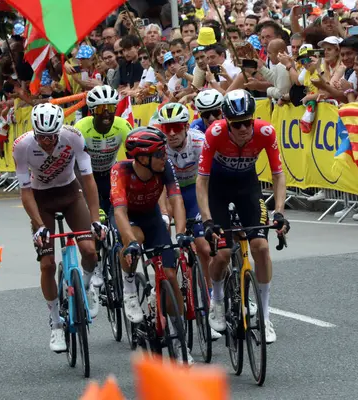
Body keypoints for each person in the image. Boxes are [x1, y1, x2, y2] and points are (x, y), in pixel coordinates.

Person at [196, 89, 290, 344]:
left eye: (248, 122)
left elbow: (278, 175)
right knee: (223, 253)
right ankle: (216, 300)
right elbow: (202, 182)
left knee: (260, 246)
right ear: (227, 122)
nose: (245, 129)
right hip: (217, 188)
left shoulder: (265, 132)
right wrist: (206, 220)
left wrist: (279, 212)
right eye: (238, 125)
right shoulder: (214, 133)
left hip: (248, 187)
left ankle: (266, 316)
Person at [13, 103, 105, 353]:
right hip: (41, 199)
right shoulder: (22, 145)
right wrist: (41, 226)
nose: (46, 142)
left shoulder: (73, 137)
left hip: (70, 194)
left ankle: (86, 286)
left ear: (59, 131)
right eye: (41, 136)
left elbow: (88, 179)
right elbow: (25, 192)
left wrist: (95, 219)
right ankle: (55, 323)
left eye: (51, 137)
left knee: (89, 250)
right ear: (34, 132)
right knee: (47, 264)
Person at [110, 126, 194, 364]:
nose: (164, 157)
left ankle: (179, 341)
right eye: (159, 154)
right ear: (142, 158)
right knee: (134, 239)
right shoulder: (121, 171)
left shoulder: (164, 168)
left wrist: (181, 233)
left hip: (152, 217)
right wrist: (132, 243)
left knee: (169, 274)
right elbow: (120, 211)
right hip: (128, 219)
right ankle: (129, 288)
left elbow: (176, 200)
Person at [154, 102, 221, 341]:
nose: (171, 133)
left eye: (176, 127)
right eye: (166, 127)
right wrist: (164, 212)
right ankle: (160, 290)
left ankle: (211, 301)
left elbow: (209, 178)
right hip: (169, 193)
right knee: (162, 239)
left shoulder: (199, 140)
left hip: (194, 192)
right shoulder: (159, 147)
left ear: (185, 126)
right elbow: (159, 184)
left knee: (203, 247)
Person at [74, 85, 132, 286]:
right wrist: (84, 194)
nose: (106, 112)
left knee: (118, 220)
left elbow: (136, 159)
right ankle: (96, 263)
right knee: (96, 220)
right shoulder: (81, 129)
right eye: (100, 109)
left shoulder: (122, 126)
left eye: (110, 107)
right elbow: (74, 167)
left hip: (110, 175)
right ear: (92, 111)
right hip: (87, 177)